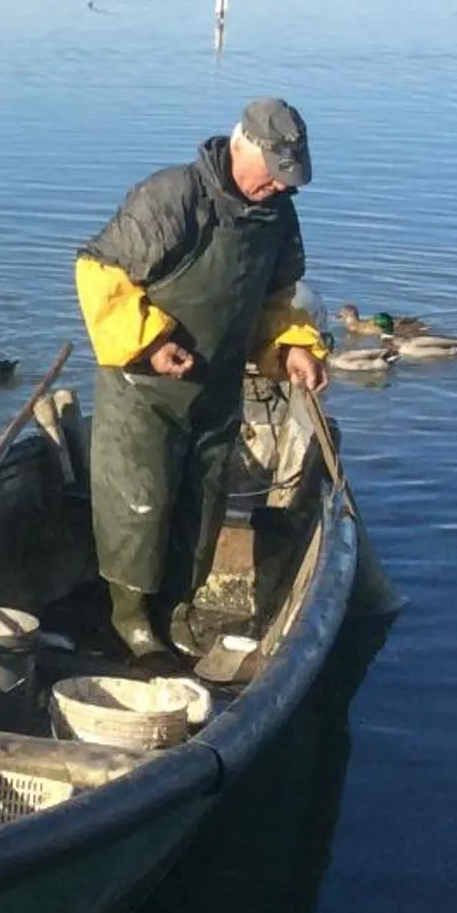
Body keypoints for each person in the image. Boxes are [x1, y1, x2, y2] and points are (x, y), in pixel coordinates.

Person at [75, 99, 329, 660]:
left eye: (291, 180)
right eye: (275, 176)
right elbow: (98, 272)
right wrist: (149, 343)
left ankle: (176, 612)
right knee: (139, 506)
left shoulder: (277, 215)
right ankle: (131, 619)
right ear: (244, 147)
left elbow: (277, 298)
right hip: (143, 393)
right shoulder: (173, 197)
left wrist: (290, 348)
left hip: (216, 391)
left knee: (202, 507)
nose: (283, 189)